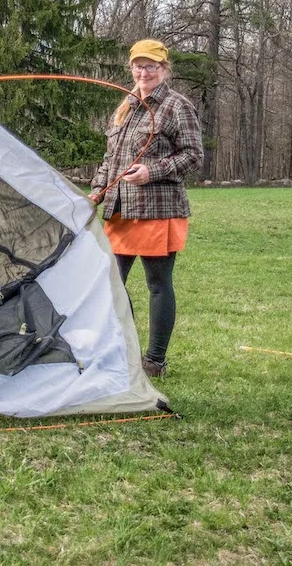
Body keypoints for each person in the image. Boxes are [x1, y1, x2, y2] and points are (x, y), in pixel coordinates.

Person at [90, 39, 202, 378]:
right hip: (121, 210)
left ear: (163, 69)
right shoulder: (125, 104)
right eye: (138, 65)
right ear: (131, 68)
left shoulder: (175, 105)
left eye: (151, 66)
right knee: (110, 283)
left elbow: (193, 156)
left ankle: (154, 361)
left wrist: (152, 171)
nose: (144, 71)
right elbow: (112, 158)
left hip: (158, 209)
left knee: (158, 283)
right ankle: (122, 350)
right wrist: (96, 193)